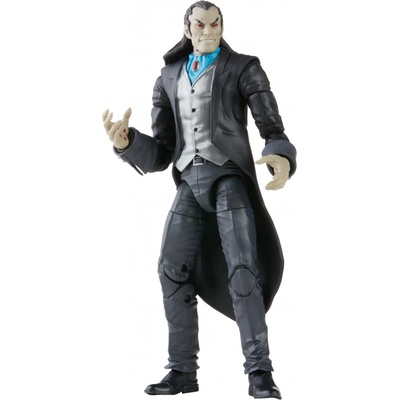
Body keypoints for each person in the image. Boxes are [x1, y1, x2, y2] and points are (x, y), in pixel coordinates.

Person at [103, 2, 296, 398]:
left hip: (229, 179)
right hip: (189, 181)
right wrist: (128, 142)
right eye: (200, 24)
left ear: (222, 26)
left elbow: (270, 124)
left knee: (243, 271)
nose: (208, 31)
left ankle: (260, 372)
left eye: (215, 23)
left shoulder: (243, 68)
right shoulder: (167, 77)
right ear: (187, 29)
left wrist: (280, 154)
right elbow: (161, 153)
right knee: (171, 268)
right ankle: (181, 370)